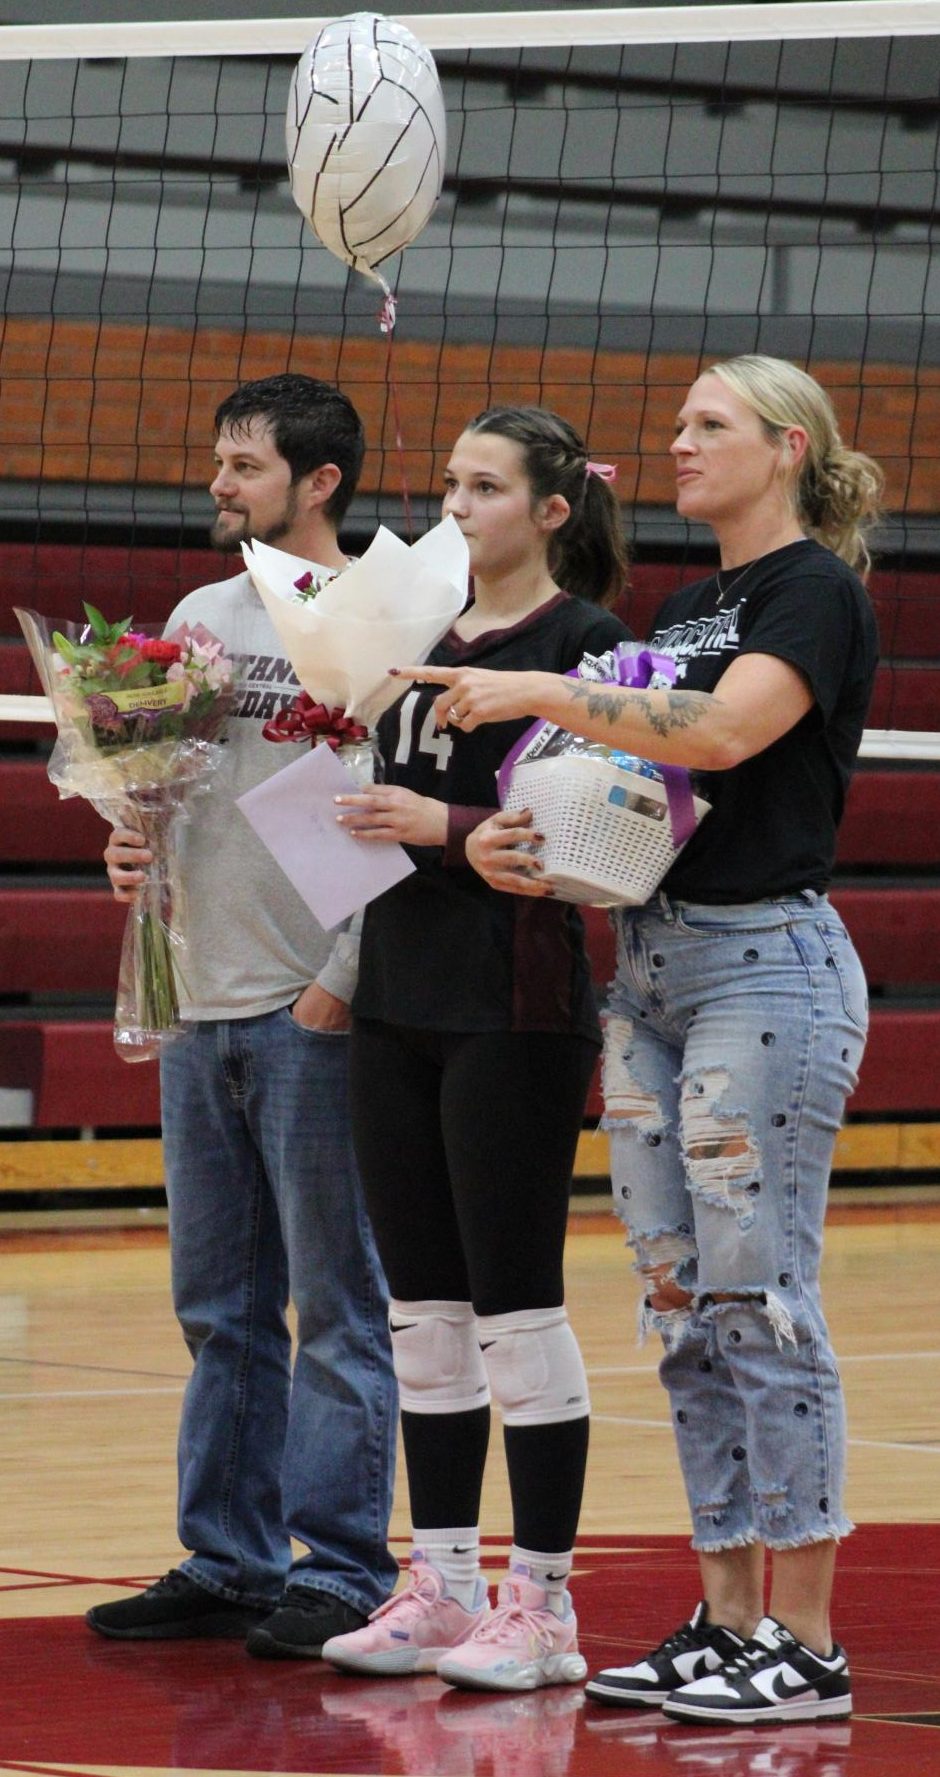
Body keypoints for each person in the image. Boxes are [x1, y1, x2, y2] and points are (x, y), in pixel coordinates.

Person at [403, 356, 881, 1725]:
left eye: (708, 425)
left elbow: (724, 736)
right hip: (655, 968)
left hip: (765, 968)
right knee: (679, 1312)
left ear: (787, 446)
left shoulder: (812, 592)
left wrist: (545, 697)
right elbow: (643, 795)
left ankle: (806, 1637)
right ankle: (727, 1619)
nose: (676, 444)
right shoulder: (687, 605)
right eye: (675, 426)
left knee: (760, 1298)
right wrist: (523, 843)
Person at [318, 406, 633, 1691]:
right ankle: (440, 1583)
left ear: (551, 511)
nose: (455, 504)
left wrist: (435, 824)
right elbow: (365, 812)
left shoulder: (588, 647)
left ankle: (544, 1606)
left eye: (485, 486)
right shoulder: (404, 638)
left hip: (514, 1010)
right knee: (422, 1316)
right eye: (448, 482)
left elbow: (578, 837)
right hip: (396, 997)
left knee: (515, 1309)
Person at [85, 374, 399, 1658]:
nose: (220, 482)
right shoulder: (196, 614)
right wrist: (128, 839)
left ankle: (342, 1565)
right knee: (218, 1304)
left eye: (247, 465)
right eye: (217, 460)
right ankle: (227, 1553)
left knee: (334, 1301)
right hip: (198, 993)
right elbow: (166, 790)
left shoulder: (380, 618)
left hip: (309, 1000)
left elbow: (396, 802)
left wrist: (348, 976)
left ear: (319, 482)